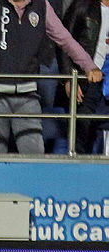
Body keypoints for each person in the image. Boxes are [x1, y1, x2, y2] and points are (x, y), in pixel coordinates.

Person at [0, 0, 100, 154]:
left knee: (34, 153)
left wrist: (89, 66)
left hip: (27, 94)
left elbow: (65, 39)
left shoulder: (41, 5)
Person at [59, 0, 109, 154]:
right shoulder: (83, 6)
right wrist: (69, 79)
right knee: (82, 134)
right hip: (86, 80)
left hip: (107, 81)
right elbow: (64, 42)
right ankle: (78, 166)